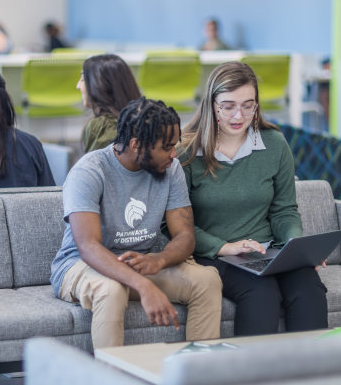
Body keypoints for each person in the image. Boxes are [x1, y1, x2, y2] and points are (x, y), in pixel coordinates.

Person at [51, 97, 222, 349]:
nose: (174, 154)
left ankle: (197, 379)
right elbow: (88, 247)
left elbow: (185, 236)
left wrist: (159, 260)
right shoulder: (89, 171)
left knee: (207, 280)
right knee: (111, 291)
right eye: (166, 147)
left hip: (141, 263)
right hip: (80, 265)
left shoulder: (170, 169)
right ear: (136, 145)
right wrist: (143, 286)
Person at [178, 61, 328, 336]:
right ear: (212, 105)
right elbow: (176, 227)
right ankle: (253, 377)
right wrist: (225, 247)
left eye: (248, 105)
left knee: (309, 289)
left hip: (267, 251)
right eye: (228, 105)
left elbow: (285, 210)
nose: (239, 115)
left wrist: (297, 246)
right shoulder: (186, 152)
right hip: (216, 256)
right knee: (262, 295)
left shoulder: (274, 143)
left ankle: (313, 374)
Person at [78, 54, 141, 152]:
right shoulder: (144, 121)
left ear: (99, 86)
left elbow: (92, 167)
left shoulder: (102, 127)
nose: (78, 86)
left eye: (82, 80)